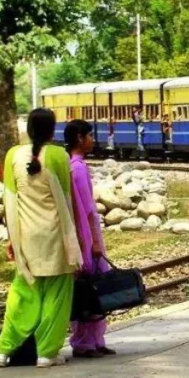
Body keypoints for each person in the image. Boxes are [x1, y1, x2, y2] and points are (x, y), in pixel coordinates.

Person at [0, 108, 82, 368]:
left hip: (26, 236)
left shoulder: (12, 156)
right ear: (53, 130)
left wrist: (12, 238)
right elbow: (66, 200)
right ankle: (46, 353)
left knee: (22, 294)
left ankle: (3, 350)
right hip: (55, 236)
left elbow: (9, 200)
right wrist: (76, 240)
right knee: (57, 295)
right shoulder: (58, 155)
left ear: (28, 129)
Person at [63, 120, 116, 359]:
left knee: (92, 287)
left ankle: (95, 339)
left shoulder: (74, 167)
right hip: (86, 235)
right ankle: (85, 341)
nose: (93, 141)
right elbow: (85, 210)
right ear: (79, 138)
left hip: (86, 233)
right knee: (89, 288)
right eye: (90, 136)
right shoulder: (78, 169)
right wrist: (93, 241)